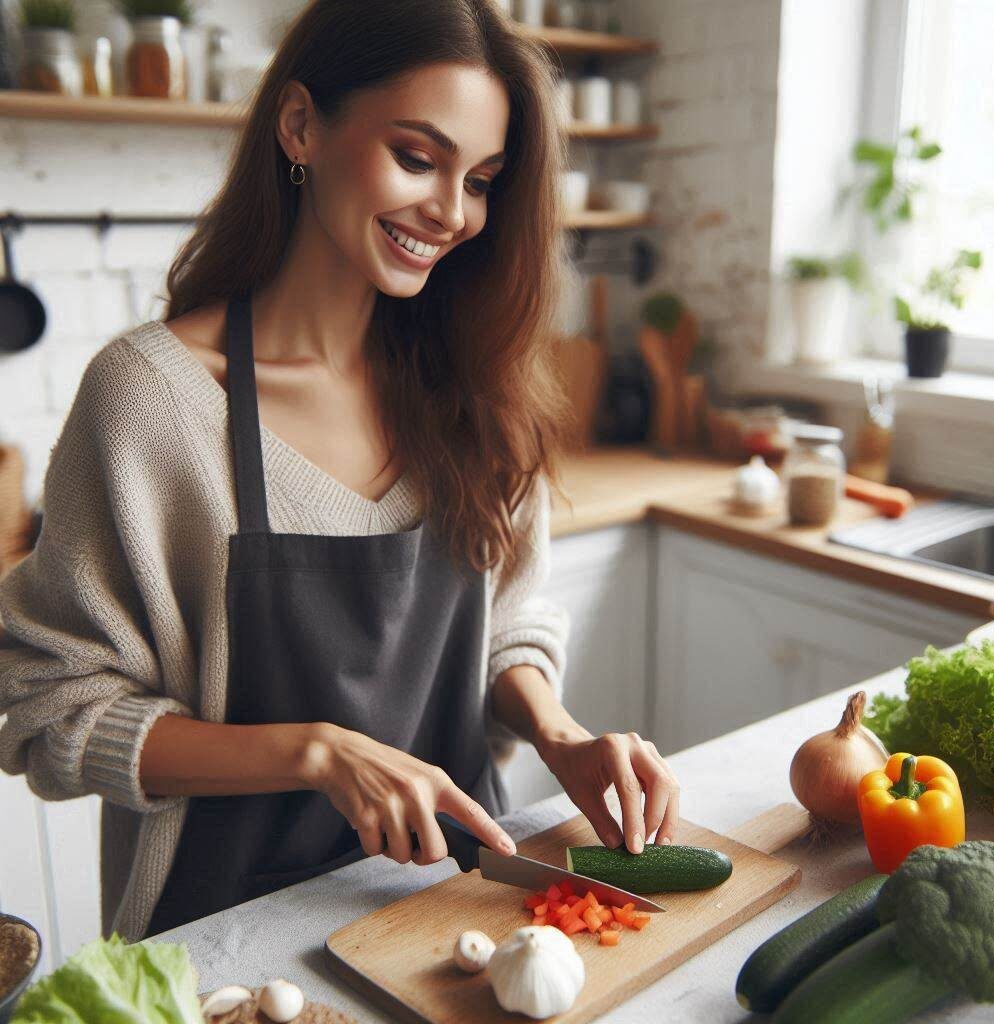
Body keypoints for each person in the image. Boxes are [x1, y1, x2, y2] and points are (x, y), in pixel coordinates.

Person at [0, 0, 681, 943]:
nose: (451, 212)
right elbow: (47, 707)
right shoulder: (152, 402)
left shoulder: (476, 385)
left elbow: (506, 616)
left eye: (480, 180)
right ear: (300, 126)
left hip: (455, 919)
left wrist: (557, 731)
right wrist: (316, 753)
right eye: (417, 157)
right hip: (224, 943)